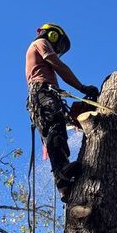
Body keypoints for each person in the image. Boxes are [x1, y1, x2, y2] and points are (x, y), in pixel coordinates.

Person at [25, 23, 99, 200]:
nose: (57, 49)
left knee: (58, 130)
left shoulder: (40, 48)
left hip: (45, 95)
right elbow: (58, 65)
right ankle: (61, 173)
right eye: (59, 46)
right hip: (43, 93)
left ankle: (65, 186)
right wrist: (82, 87)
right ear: (53, 35)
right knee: (55, 128)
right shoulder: (41, 43)